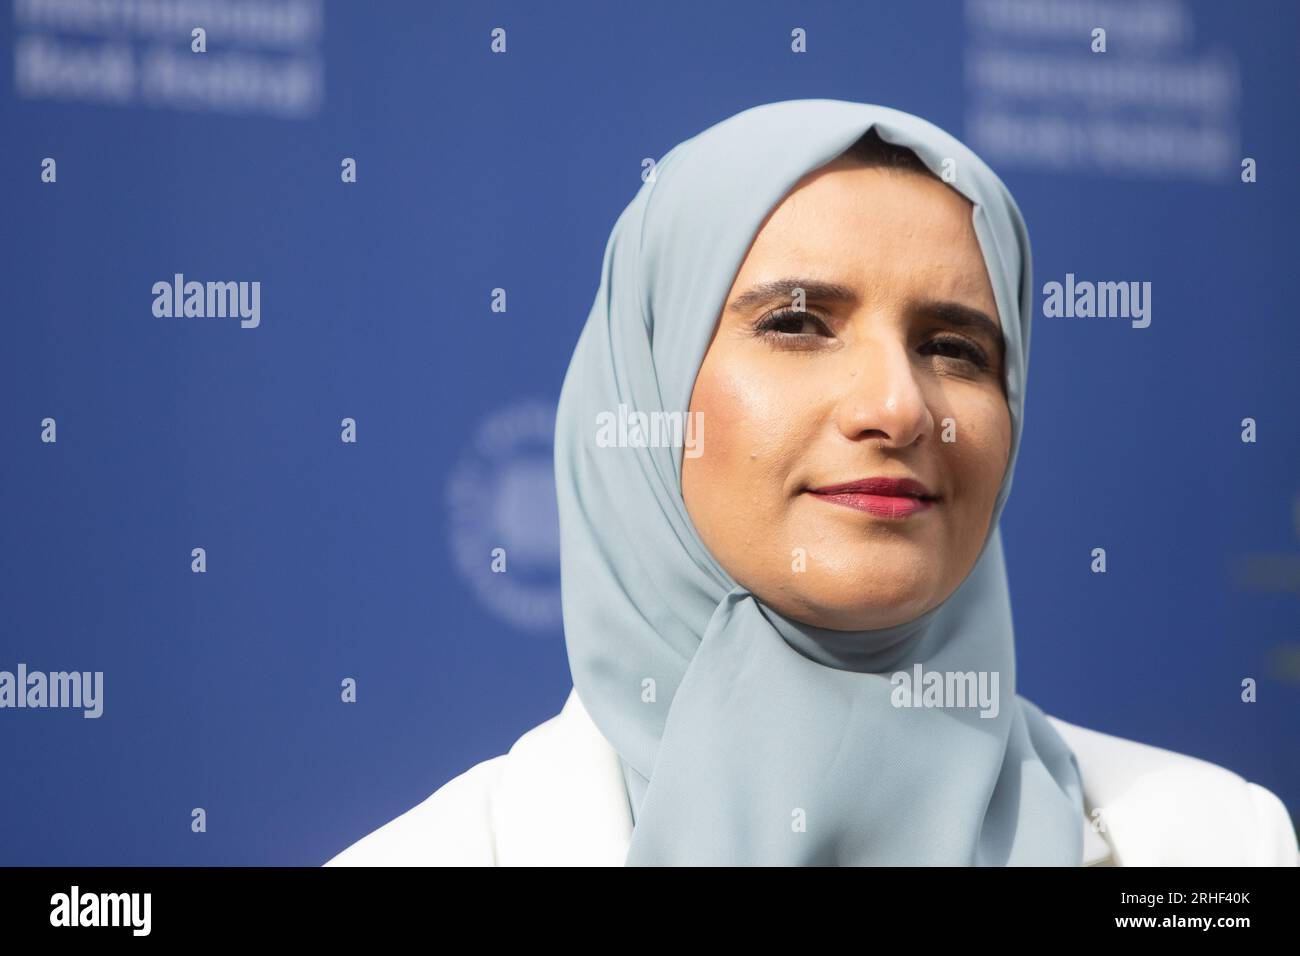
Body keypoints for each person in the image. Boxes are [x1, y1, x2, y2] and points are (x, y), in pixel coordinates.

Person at [325, 99, 1298, 866]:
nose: (899, 405)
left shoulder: (1216, 846)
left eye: (954, 345)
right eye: (796, 323)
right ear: (647, 380)